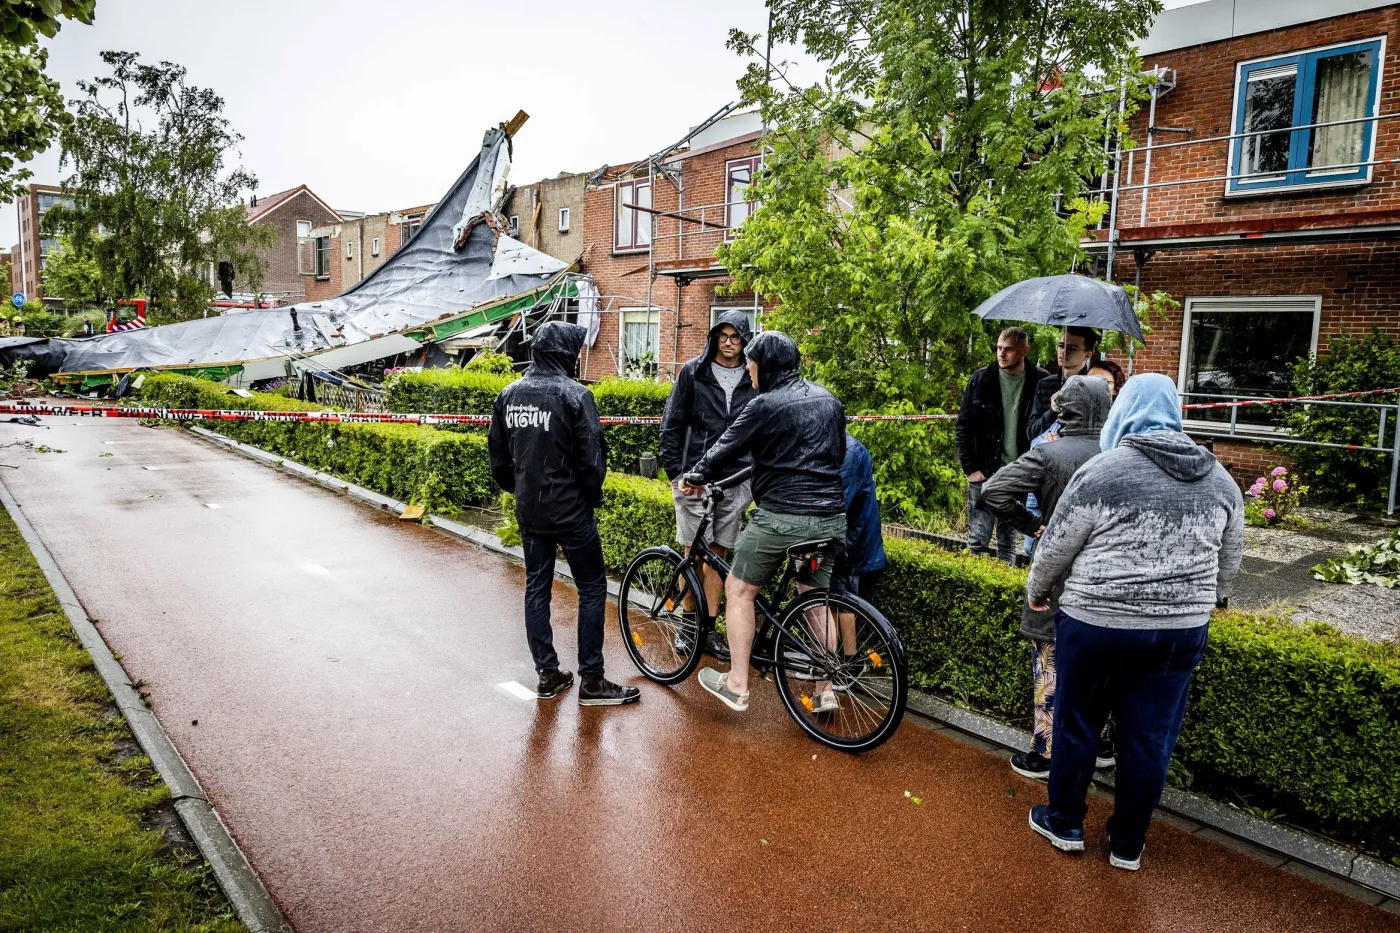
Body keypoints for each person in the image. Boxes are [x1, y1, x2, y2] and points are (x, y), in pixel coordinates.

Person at [1024, 373, 1243, 872]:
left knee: (1076, 721)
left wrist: (1038, 591)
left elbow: (1056, 545)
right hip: (1178, 631)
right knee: (1149, 737)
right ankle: (1127, 843)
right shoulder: (1222, 481)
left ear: (1126, 410)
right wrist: (1201, 602)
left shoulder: (1104, 471)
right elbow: (1228, 567)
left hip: (1096, 623)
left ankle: (1066, 823)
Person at [678, 331, 847, 714]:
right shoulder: (828, 400)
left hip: (783, 518)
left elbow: (726, 447)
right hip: (830, 519)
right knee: (815, 600)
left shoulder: (764, 404)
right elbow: (830, 454)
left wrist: (695, 476)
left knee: (739, 589)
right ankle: (827, 688)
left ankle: (737, 683)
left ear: (765, 366)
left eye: (751, 362)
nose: (748, 368)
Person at [487, 321, 640, 707]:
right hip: (572, 510)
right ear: (566, 355)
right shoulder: (576, 395)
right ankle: (592, 679)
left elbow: (499, 460)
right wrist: (590, 497)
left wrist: (521, 489)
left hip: (530, 510)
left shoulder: (508, 394)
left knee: (536, 586)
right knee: (591, 588)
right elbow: (592, 461)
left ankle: (547, 673)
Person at [981, 376, 1112, 780]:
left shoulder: (1047, 455)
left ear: (1063, 410)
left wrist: (1034, 525)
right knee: (1103, 666)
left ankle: (1046, 751)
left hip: (1056, 576)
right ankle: (1102, 745)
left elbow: (993, 491)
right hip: (1108, 578)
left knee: (1050, 661)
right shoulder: (1119, 452)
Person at [658, 310, 757, 660]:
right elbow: (671, 425)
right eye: (723, 336)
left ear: (745, 339)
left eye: (736, 337)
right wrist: (677, 473)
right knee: (693, 552)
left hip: (737, 478)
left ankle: (707, 629)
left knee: (719, 554)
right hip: (695, 478)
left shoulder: (752, 375)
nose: (729, 343)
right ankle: (687, 626)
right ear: (714, 337)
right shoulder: (693, 372)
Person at [954, 327, 1047, 563]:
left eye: (1009, 349)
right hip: (984, 467)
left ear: (1024, 350)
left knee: (1008, 538)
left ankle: (1002, 578)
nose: (1001, 354)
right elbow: (963, 425)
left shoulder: (1041, 381)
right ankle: (974, 582)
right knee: (977, 539)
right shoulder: (982, 379)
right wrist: (970, 469)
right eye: (998, 348)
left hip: (1019, 468)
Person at [832, 433, 886, 598]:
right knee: (833, 600)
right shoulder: (839, 446)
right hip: (850, 542)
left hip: (855, 549)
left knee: (843, 602)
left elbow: (838, 504)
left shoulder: (849, 452)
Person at [1028, 326, 1099, 440]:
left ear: (1087, 355)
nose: (1063, 352)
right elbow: (1031, 432)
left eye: (1072, 348)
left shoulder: (1094, 386)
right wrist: (1051, 412)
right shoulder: (1045, 384)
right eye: (1061, 346)